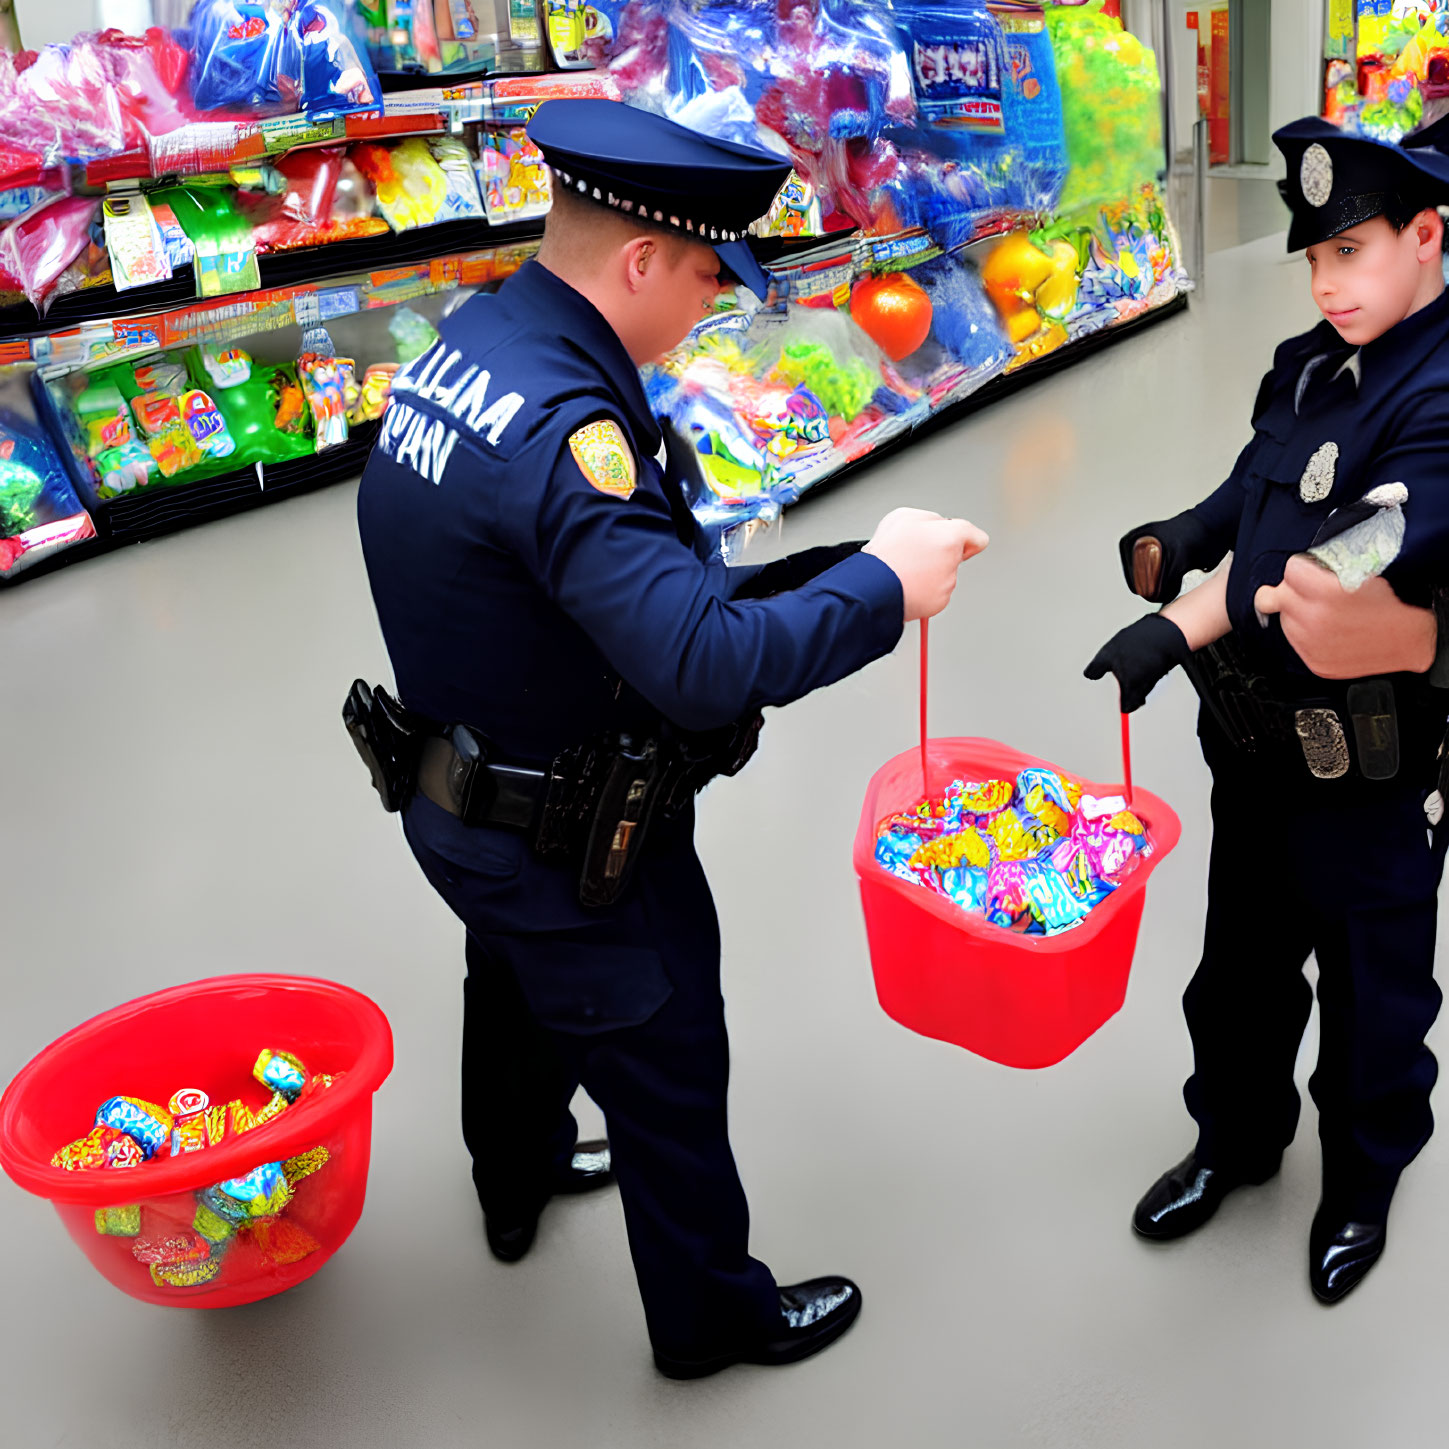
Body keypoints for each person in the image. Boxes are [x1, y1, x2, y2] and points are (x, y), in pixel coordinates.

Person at [353, 97, 988, 1377]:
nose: (710, 307)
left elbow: (593, 588)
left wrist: (825, 567)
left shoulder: (480, 338)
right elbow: (698, 667)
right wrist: (884, 589)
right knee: (667, 1054)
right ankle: (712, 1318)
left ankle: (515, 1177)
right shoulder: (568, 431)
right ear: (639, 260)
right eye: (707, 277)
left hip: (461, 790)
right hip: (571, 837)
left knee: (513, 990)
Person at [1086, 115, 1449, 1304]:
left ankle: (1362, 1181)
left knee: (1372, 1000)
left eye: (1352, 251)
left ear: (1428, 236)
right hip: (1253, 755)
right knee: (1235, 978)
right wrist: (1183, 541)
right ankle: (1235, 1145)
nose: (1326, 281)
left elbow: (1342, 559)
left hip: (1372, 775)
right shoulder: (1305, 361)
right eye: (1312, 257)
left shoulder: (1441, 393)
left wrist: (1186, 620)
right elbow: (1261, 481)